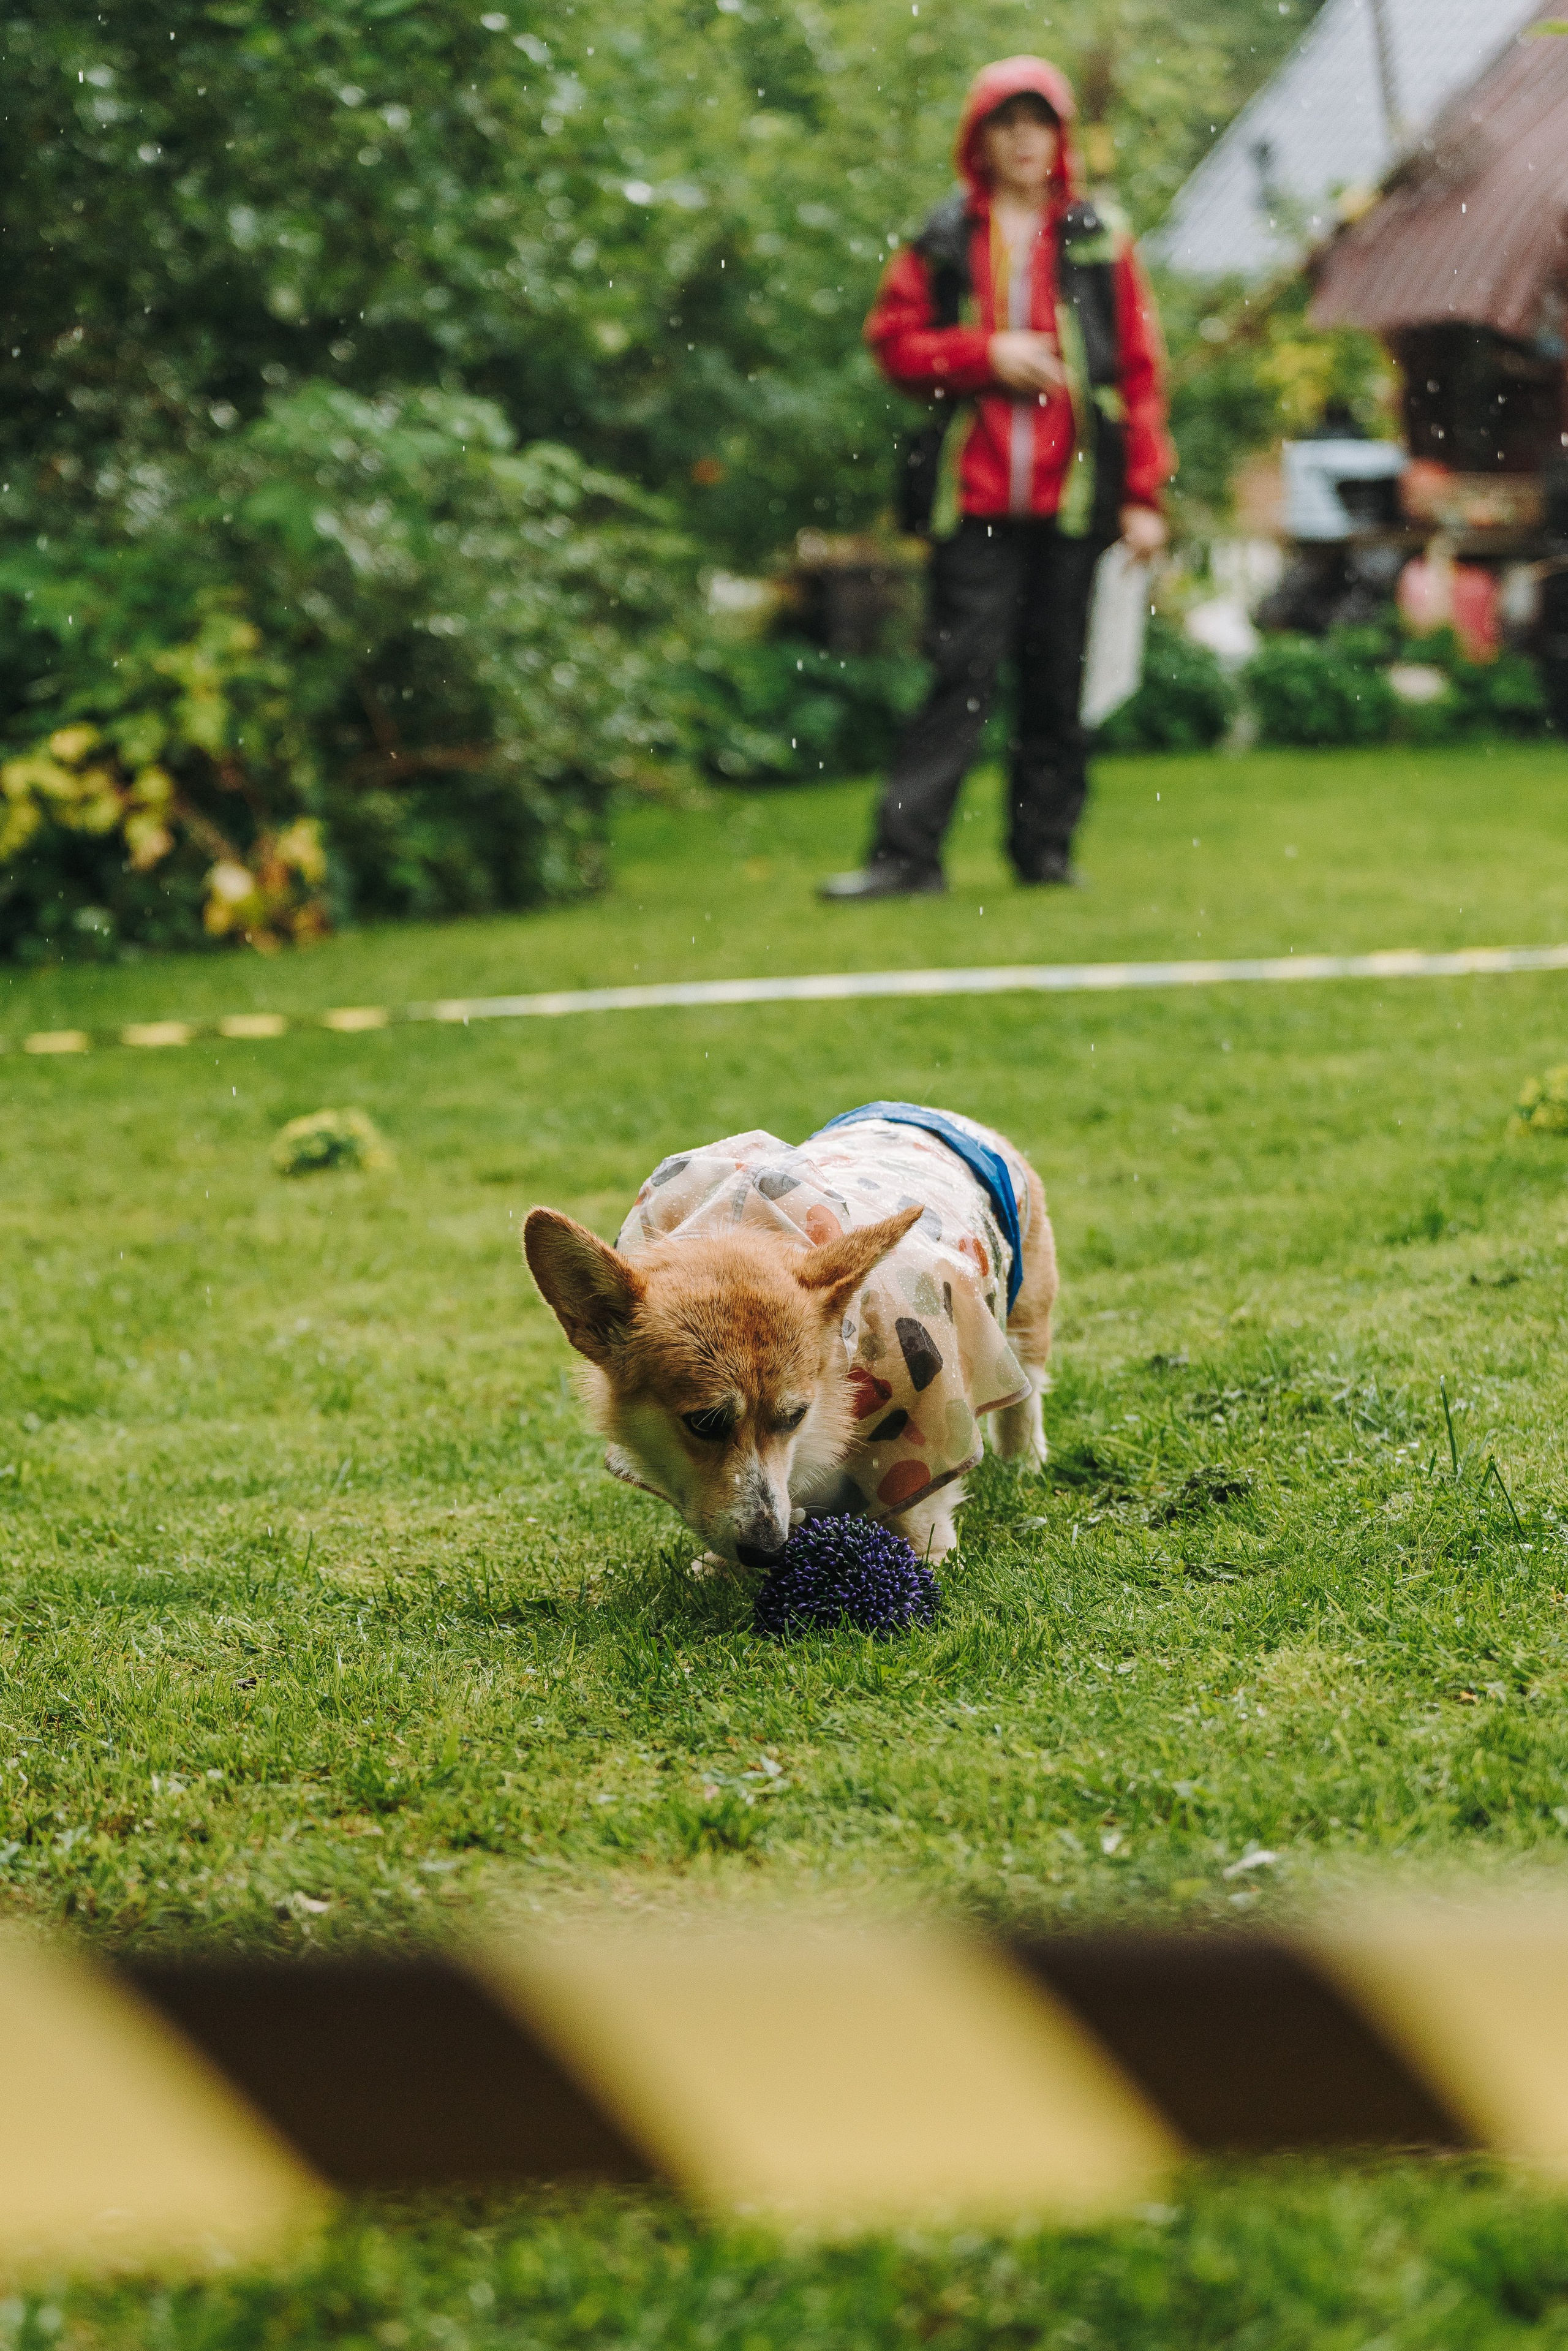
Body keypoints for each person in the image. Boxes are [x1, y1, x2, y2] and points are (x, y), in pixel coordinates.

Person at [820, 56, 1174, 900]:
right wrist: (985, 355)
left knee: (1058, 682)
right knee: (960, 677)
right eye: (1006, 122)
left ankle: (1043, 854)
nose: (1023, 138)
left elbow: (1140, 372)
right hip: (972, 501)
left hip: (1076, 499)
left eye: (1038, 121)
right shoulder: (944, 239)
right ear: (978, 139)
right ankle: (906, 858)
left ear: (1060, 138)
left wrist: (1144, 495)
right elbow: (893, 344)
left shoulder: (1099, 237)